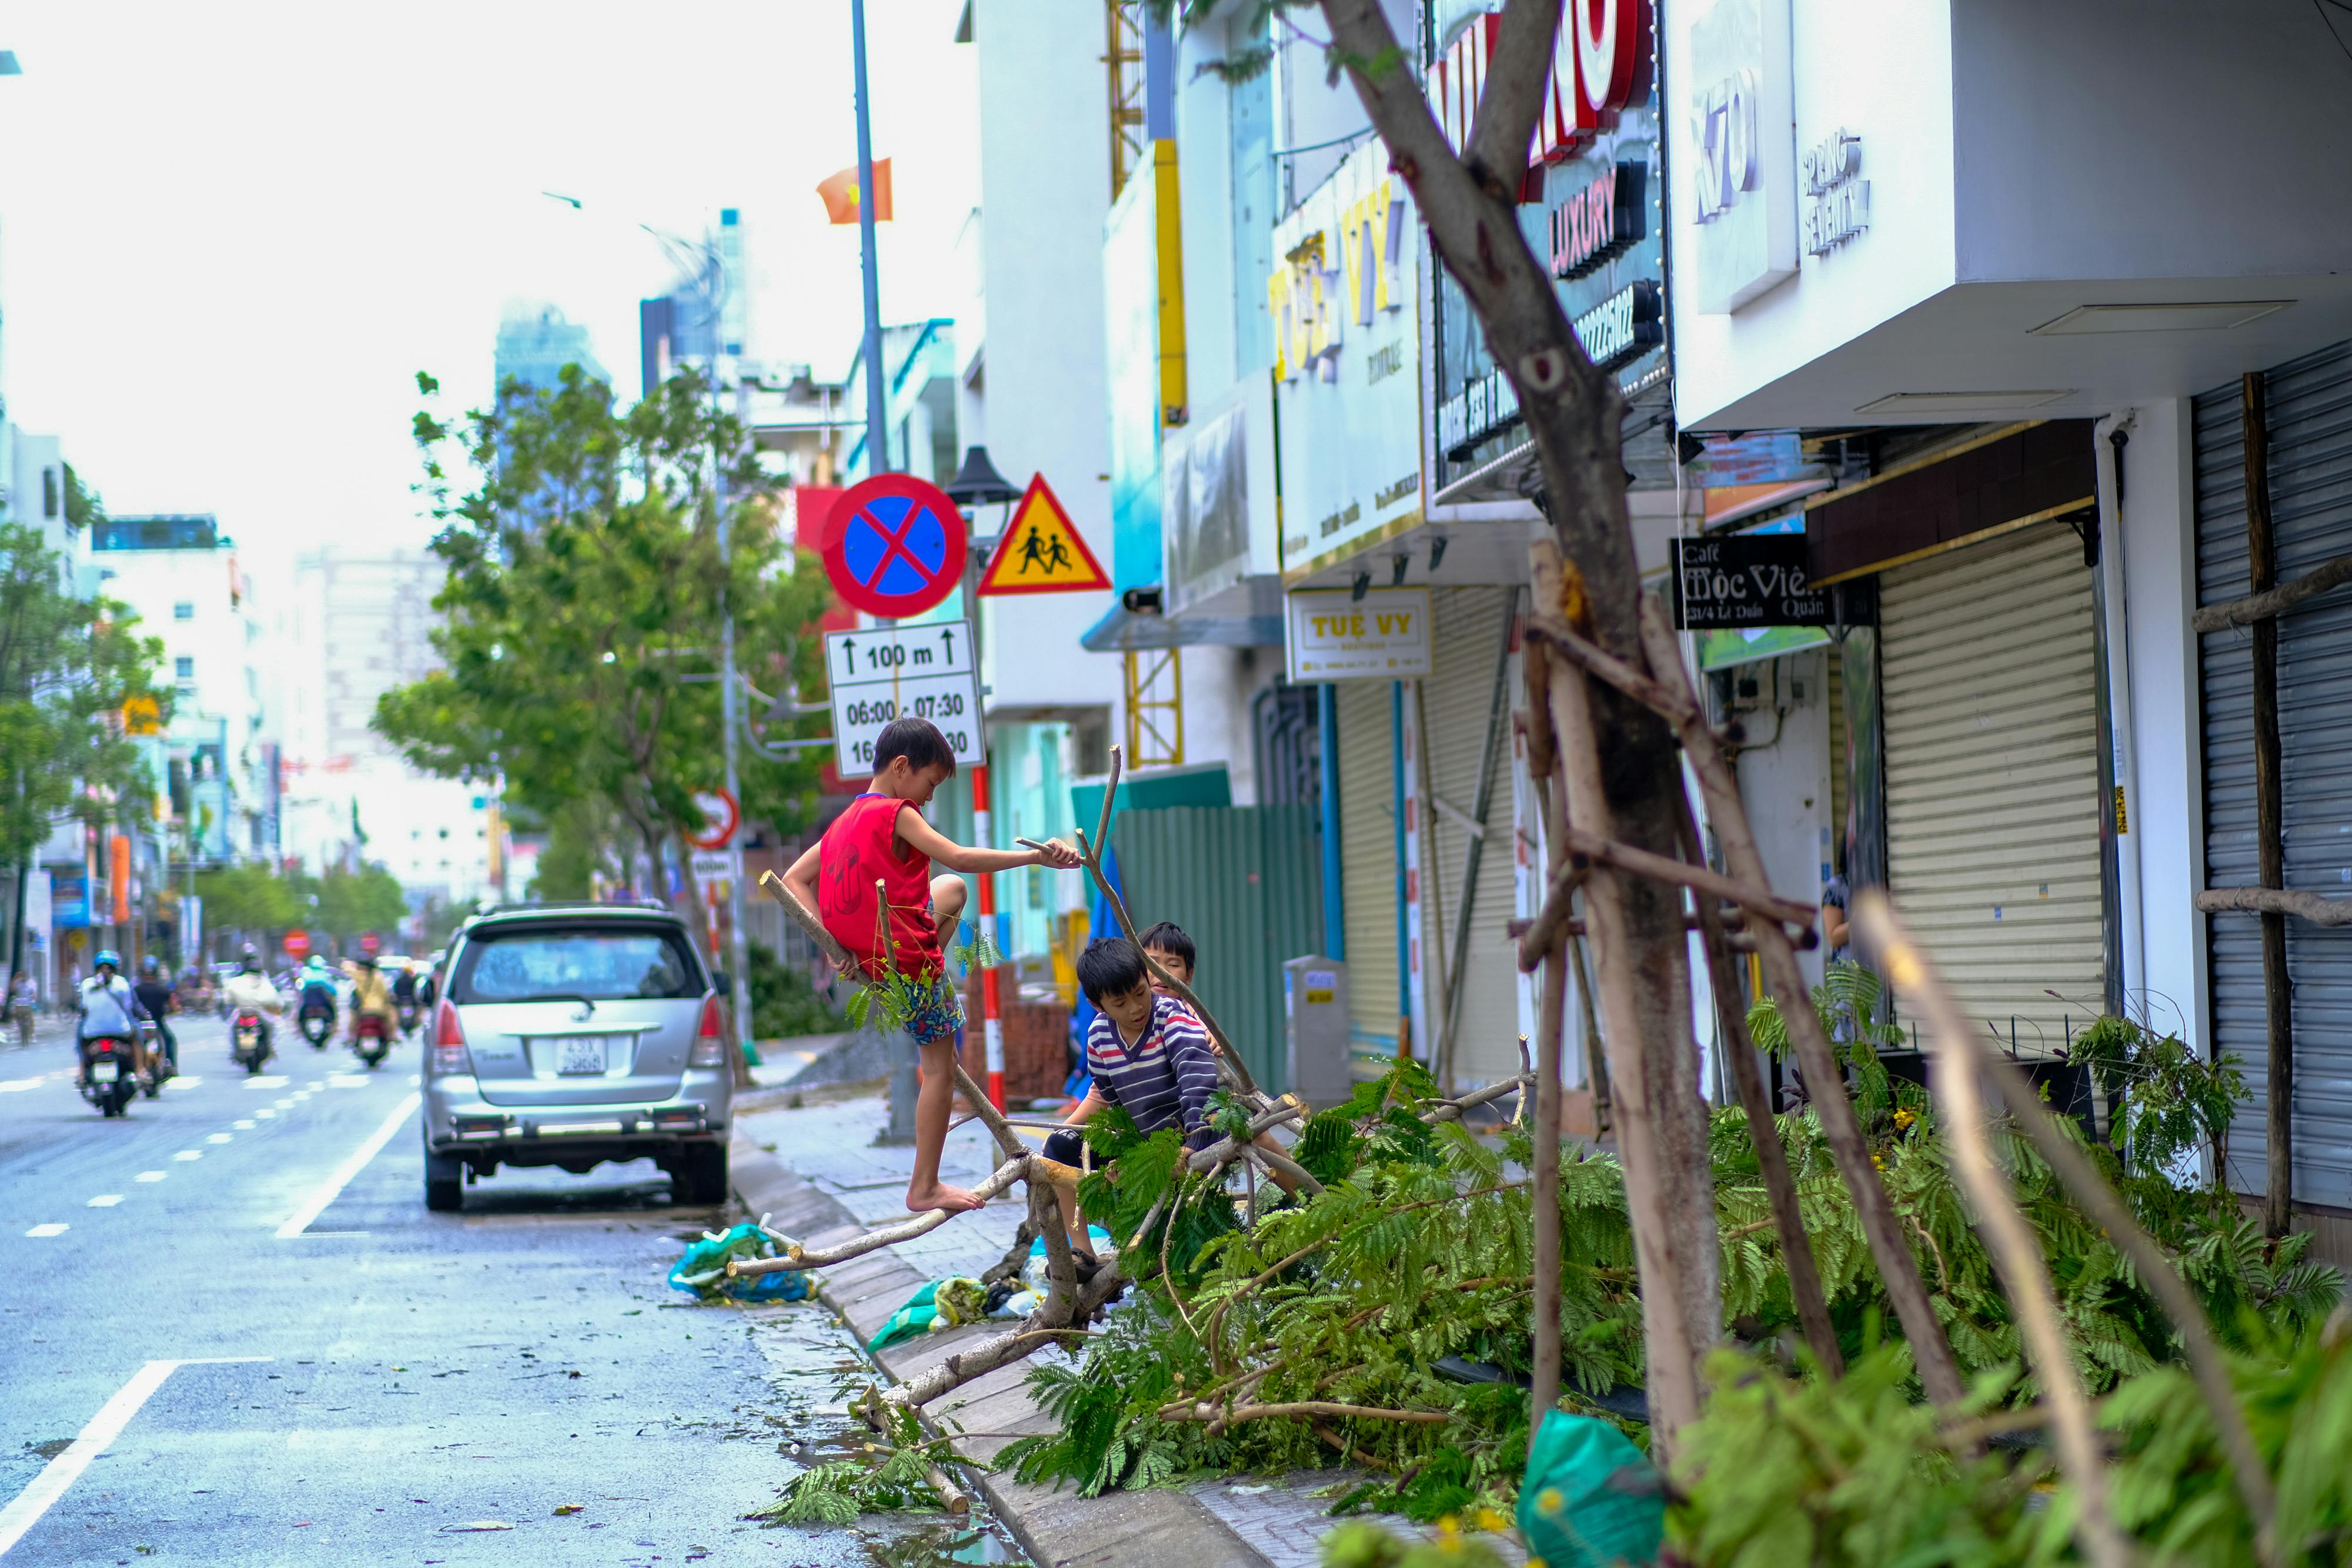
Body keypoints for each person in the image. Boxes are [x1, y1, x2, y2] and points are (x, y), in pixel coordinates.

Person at [780, 716, 1079, 1215]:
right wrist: (1033, 859)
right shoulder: (897, 812)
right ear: (902, 768)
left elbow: (793, 878)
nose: (930, 799)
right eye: (930, 784)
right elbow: (958, 855)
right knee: (941, 1069)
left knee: (951, 893)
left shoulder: (841, 823)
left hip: (875, 960)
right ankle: (924, 1185)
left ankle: (927, 966)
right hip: (906, 967)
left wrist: (836, 948)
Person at [74, 950, 153, 1082]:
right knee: (137, 1034)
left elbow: (83, 1009)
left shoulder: (86, 984)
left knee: (80, 1036)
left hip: (92, 1033)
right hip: (121, 1031)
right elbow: (129, 1008)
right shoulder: (122, 983)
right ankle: (140, 1069)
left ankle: (81, 1073)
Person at [220, 945, 286, 1051]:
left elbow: (227, 999)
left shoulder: (239, 977)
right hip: (253, 1011)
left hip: (247, 1010)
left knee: (230, 1027)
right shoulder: (260, 978)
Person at [133, 955, 178, 1072]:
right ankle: (171, 1065)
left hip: (140, 1024)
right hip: (157, 1023)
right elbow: (173, 1007)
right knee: (169, 1040)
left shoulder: (136, 990)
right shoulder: (163, 990)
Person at [346, 954, 397, 1042]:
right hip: (379, 1010)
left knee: (352, 1018)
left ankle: (351, 1038)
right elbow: (385, 994)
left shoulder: (358, 976)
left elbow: (347, 968)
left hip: (363, 1010)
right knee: (392, 1016)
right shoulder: (379, 977)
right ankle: (391, 1036)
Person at [8, 969, 35, 1047]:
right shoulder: (20, 983)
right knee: (21, 1019)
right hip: (22, 1006)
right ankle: (26, 1032)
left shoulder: (27, 983)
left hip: (24, 1006)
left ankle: (30, 1033)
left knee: (29, 1020)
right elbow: (12, 989)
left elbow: (34, 995)